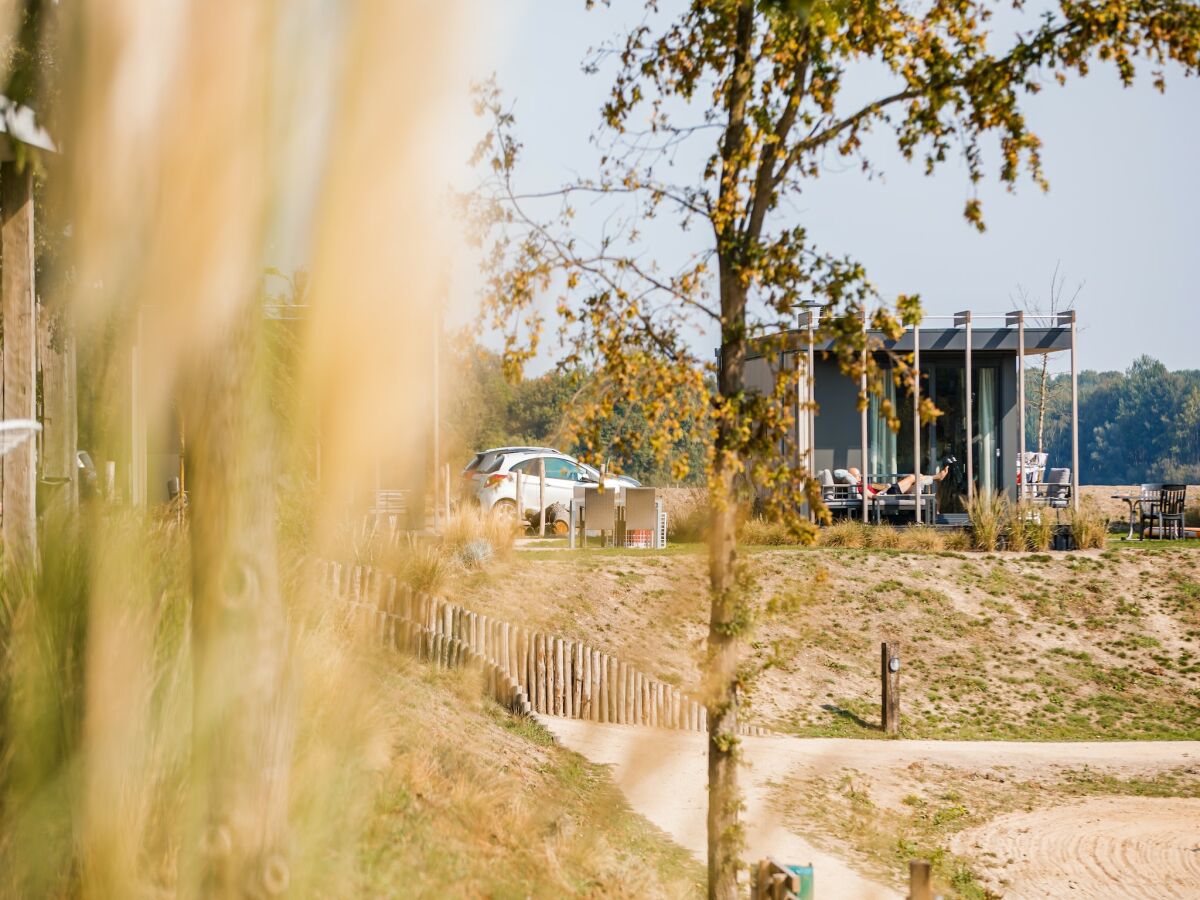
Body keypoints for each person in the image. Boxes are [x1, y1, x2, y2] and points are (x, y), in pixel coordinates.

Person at [834, 457, 955, 496]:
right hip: (888, 493)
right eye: (857, 475)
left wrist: (884, 486)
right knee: (913, 477)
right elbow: (872, 496)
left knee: (918, 477)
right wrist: (884, 490)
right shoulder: (860, 486)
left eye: (859, 475)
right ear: (852, 477)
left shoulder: (862, 484)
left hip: (888, 488)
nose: (860, 477)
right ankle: (936, 477)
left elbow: (875, 488)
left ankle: (935, 479)